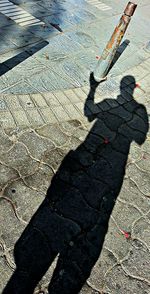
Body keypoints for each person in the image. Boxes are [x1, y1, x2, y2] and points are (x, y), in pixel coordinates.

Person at [3, 75, 148, 294]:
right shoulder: (139, 110)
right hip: (111, 171)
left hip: (89, 163)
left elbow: (89, 111)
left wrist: (92, 90)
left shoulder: (110, 103)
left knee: (25, 270)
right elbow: (140, 138)